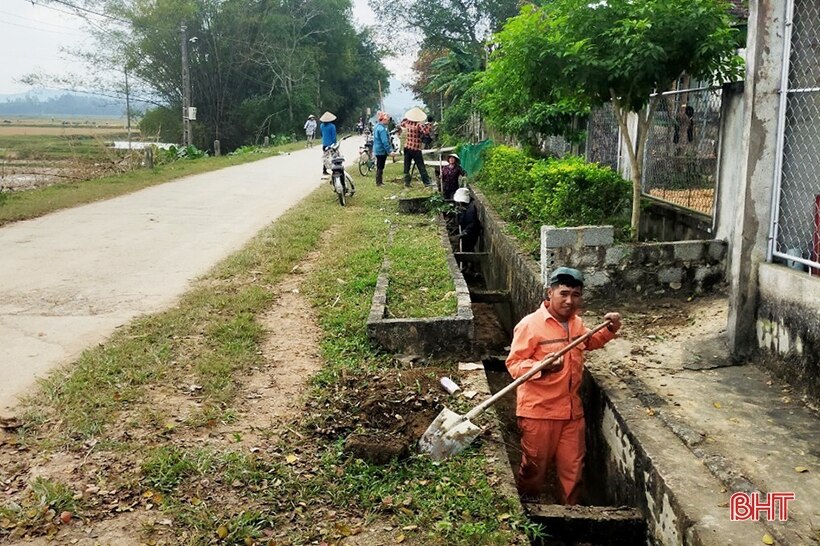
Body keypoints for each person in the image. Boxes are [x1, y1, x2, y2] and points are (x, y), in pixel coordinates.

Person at [505, 267, 621, 505]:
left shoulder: (577, 324)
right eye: (564, 293)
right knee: (534, 470)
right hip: (538, 413)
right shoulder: (530, 325)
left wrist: (610, 329)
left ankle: (571, 516)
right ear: (550, 293)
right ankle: (529, 512)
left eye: (576, 295)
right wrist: (541, 366)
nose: (570, 301)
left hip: (571, 413)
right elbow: (514, 364)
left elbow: (590, 341)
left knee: (573, 471)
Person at [400, 107, 433, 188]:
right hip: (416, 148)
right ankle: (427, 182)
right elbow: (426, 132)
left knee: (407, 166)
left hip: (407, 147)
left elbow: (401, 124)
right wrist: (428, 125)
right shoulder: (418, 124)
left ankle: (407, 182)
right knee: (421, 166)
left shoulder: (407, 122)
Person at [453, 188, 481, 253]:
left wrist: (463, 233)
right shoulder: (464, 207)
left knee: (468, 248)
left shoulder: (470, 209)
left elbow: (471, 223)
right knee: (466, 247)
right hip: (467, 229)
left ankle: (469, 262)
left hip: (471, 232)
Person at [373, 111, 393, 187]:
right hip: (381, 150)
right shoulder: (382, 129)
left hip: (377, 149)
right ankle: (379, 182)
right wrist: (389, 151)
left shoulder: (377, 126)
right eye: (387, 120)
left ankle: (379, 181)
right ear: (383, 120)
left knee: (379, 165)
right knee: (380, 166)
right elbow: (385, 141)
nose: (388, 122)